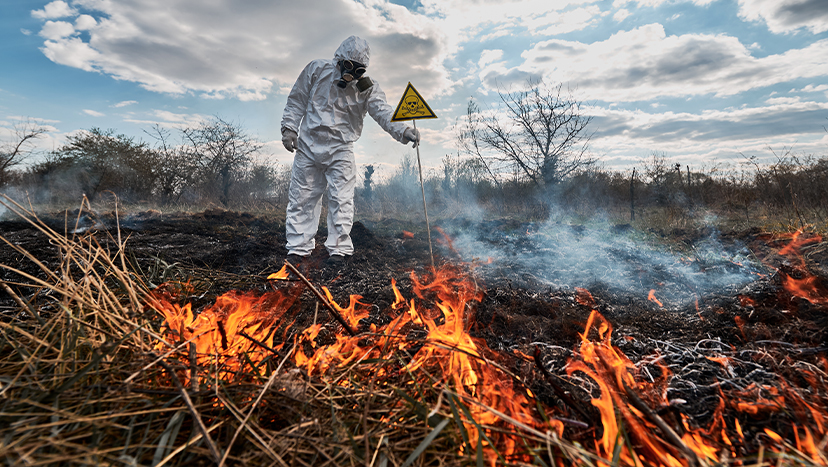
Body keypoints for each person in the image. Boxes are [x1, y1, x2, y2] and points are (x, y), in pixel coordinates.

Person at [281, 35, 419, 267]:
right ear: (339, 60)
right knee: (302, 198)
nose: (351, 73)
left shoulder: (367, 88)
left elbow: (383, 112)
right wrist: (289, 129)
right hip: (308, 146)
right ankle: (298, 249)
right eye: (348, 66)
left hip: (341, 149)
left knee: (341, 199)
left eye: (358, 70)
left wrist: (403, 130)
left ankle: (338, 250)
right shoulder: (317, 70)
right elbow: (297, 100)